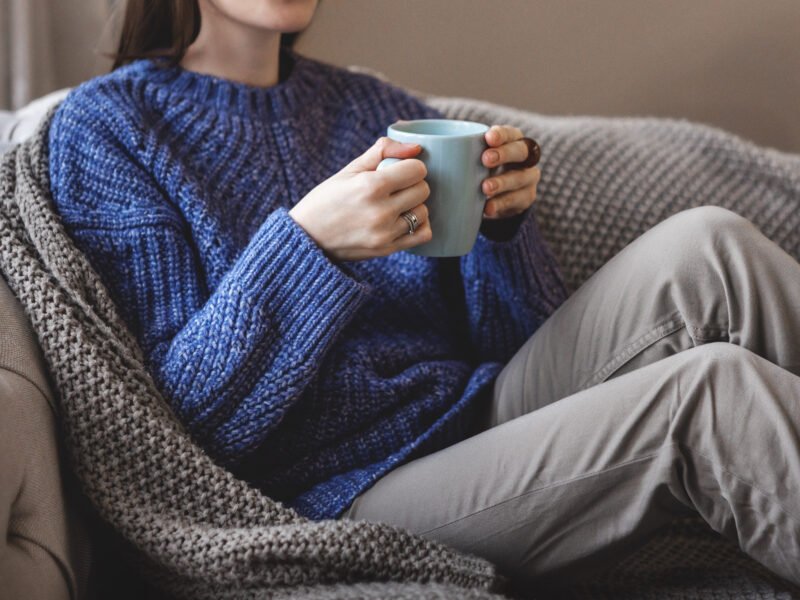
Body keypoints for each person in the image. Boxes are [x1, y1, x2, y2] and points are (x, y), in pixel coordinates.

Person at [47, 0, 800, 593]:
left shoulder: (374, 109)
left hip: (476, 416)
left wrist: (504, 234)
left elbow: (518, 351)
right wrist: (308, 246)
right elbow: (183, 432)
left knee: (710, 243)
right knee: (707, 397)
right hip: (342, 499)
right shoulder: (107, 131)